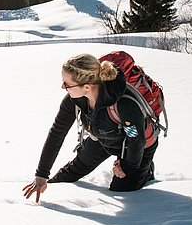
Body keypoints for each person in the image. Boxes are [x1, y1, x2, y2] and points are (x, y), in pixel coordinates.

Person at [23, 53, 157, 202]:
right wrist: (42, 174)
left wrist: (127, 167)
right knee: (63, 179)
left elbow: (135, 139)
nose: (62, 87)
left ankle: (147, 170)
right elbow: (57, 133)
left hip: (137, 146)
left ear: (87, 87)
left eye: (66, 84)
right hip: (102, 139)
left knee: (120, 189)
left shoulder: (124, 104)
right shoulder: (74, 100)